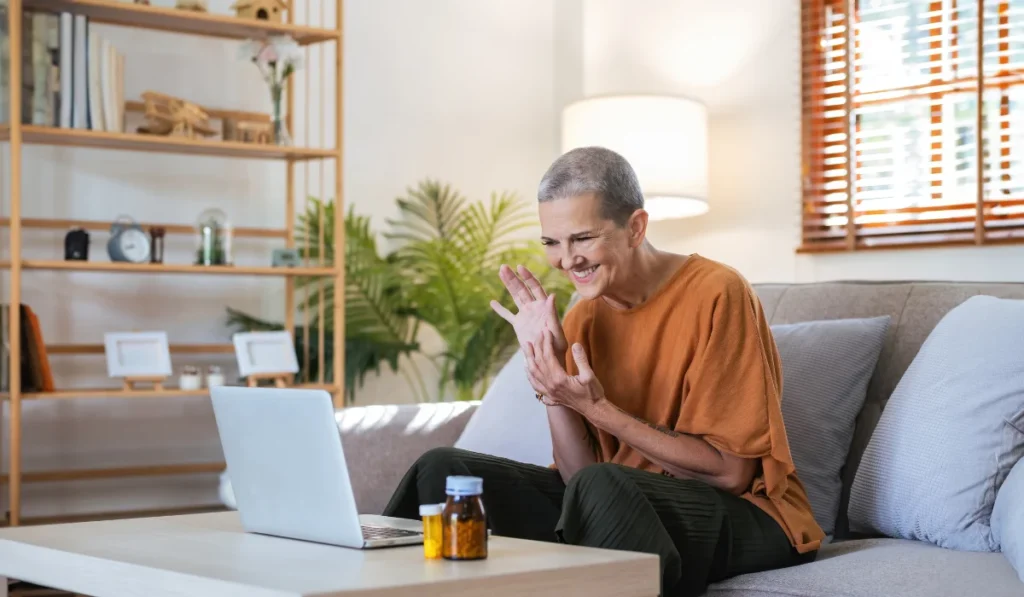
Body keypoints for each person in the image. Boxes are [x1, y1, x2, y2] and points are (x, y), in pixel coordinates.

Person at [382, 146, 824, 596]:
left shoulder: (717, 292)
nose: (566, 260)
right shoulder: (582, 317)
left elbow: (731, 473)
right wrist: (551, 380)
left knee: (604, 484)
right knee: (442, 469)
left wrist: (598, 409)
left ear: (635, 227)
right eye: (552, 242)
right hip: (617, 505)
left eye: (583, 238)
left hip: (749, 513)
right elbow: (577, 479)